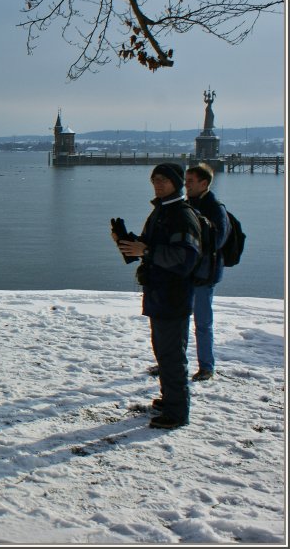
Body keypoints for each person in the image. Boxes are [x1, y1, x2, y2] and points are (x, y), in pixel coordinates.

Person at [115, 163, 202, 430]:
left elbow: (185, 258)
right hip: (159, 293)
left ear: (177, 182)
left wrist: (146, 251)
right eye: (154, 180)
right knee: (163, 352)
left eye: (163, 179)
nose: (158, 184)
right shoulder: (162, 211)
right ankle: (170, 400)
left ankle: (177, 413)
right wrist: (126, 242)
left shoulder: (181, 215)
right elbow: (149, 246)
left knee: (172, 354)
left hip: (173, 295)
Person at [184, 163, 229, 382]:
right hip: (185, 273)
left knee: (202, 323)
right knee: (179, 321)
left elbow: (217, 241)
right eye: (185, 181)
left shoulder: (216, 208)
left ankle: (206, 366)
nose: (186, 185)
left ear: (204, 183)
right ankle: (174, 361)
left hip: (204, 275)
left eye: (190, 181)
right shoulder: (186, 205)